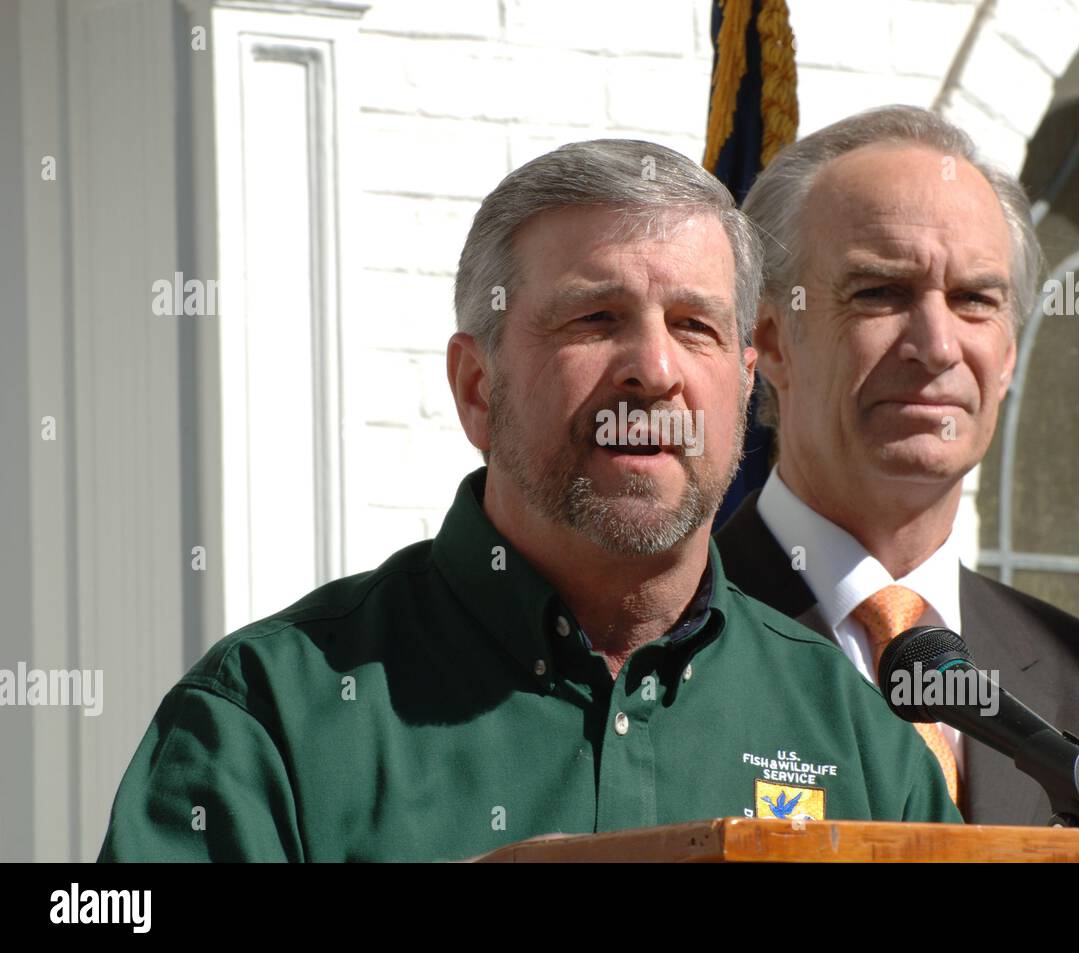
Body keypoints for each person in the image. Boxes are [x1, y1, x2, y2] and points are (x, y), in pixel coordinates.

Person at [98, 138, 961, 862]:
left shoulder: (861, 738)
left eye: (694, 324)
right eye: (594, 318)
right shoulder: (269, 721)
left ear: (743, 387)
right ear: (477, 387)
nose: (654, 371)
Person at [715, 105, 1079, 832]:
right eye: (881, 292)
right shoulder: (655, 645)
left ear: (1009, 355)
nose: (937, 345)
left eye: (975, 300)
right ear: (772, 340)